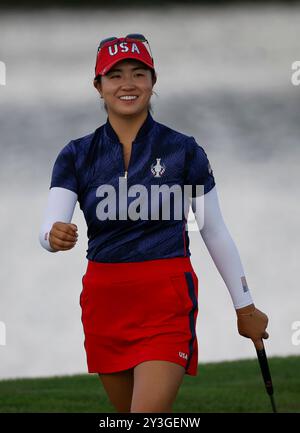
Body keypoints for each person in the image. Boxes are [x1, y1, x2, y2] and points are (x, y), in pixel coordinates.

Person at [39, 34, 269, 413]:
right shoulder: (76, 154)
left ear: (153, 80)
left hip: (166, 301)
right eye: (114, 76)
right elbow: (49, 227)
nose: (127, 84)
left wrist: (245, 306)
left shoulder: (184, 150)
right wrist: (53, 237)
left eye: (138, 73)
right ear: (98, 86)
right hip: (104, 303)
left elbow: (213, 230)